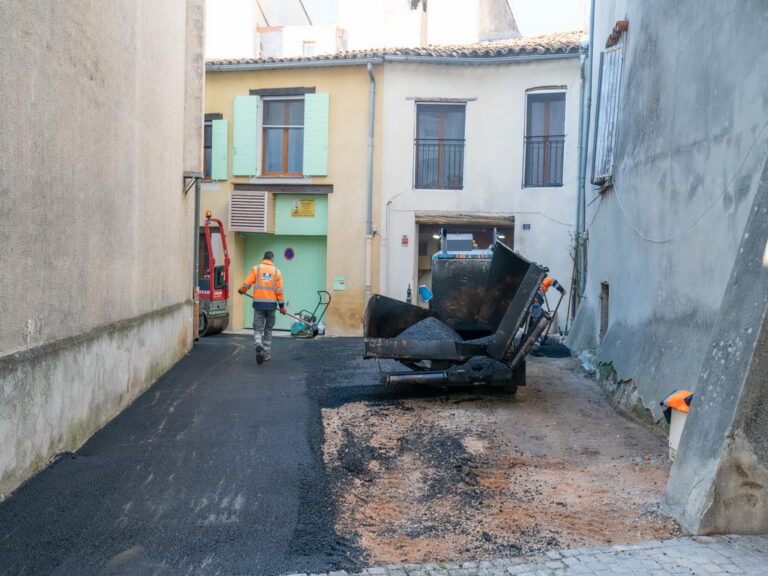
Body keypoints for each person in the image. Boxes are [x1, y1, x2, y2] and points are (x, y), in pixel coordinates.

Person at [238, 251, 286, 364]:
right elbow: (279, 291)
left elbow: (247, 283)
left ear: (263, 258)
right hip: (271, 306)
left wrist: (242, 290)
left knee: (258, 328)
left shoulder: (256, 269)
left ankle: (258, 344)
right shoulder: (277, 272)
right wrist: (282, 306)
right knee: (268, 330)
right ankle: (266, 355)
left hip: (258, 304)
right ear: (272, 259)